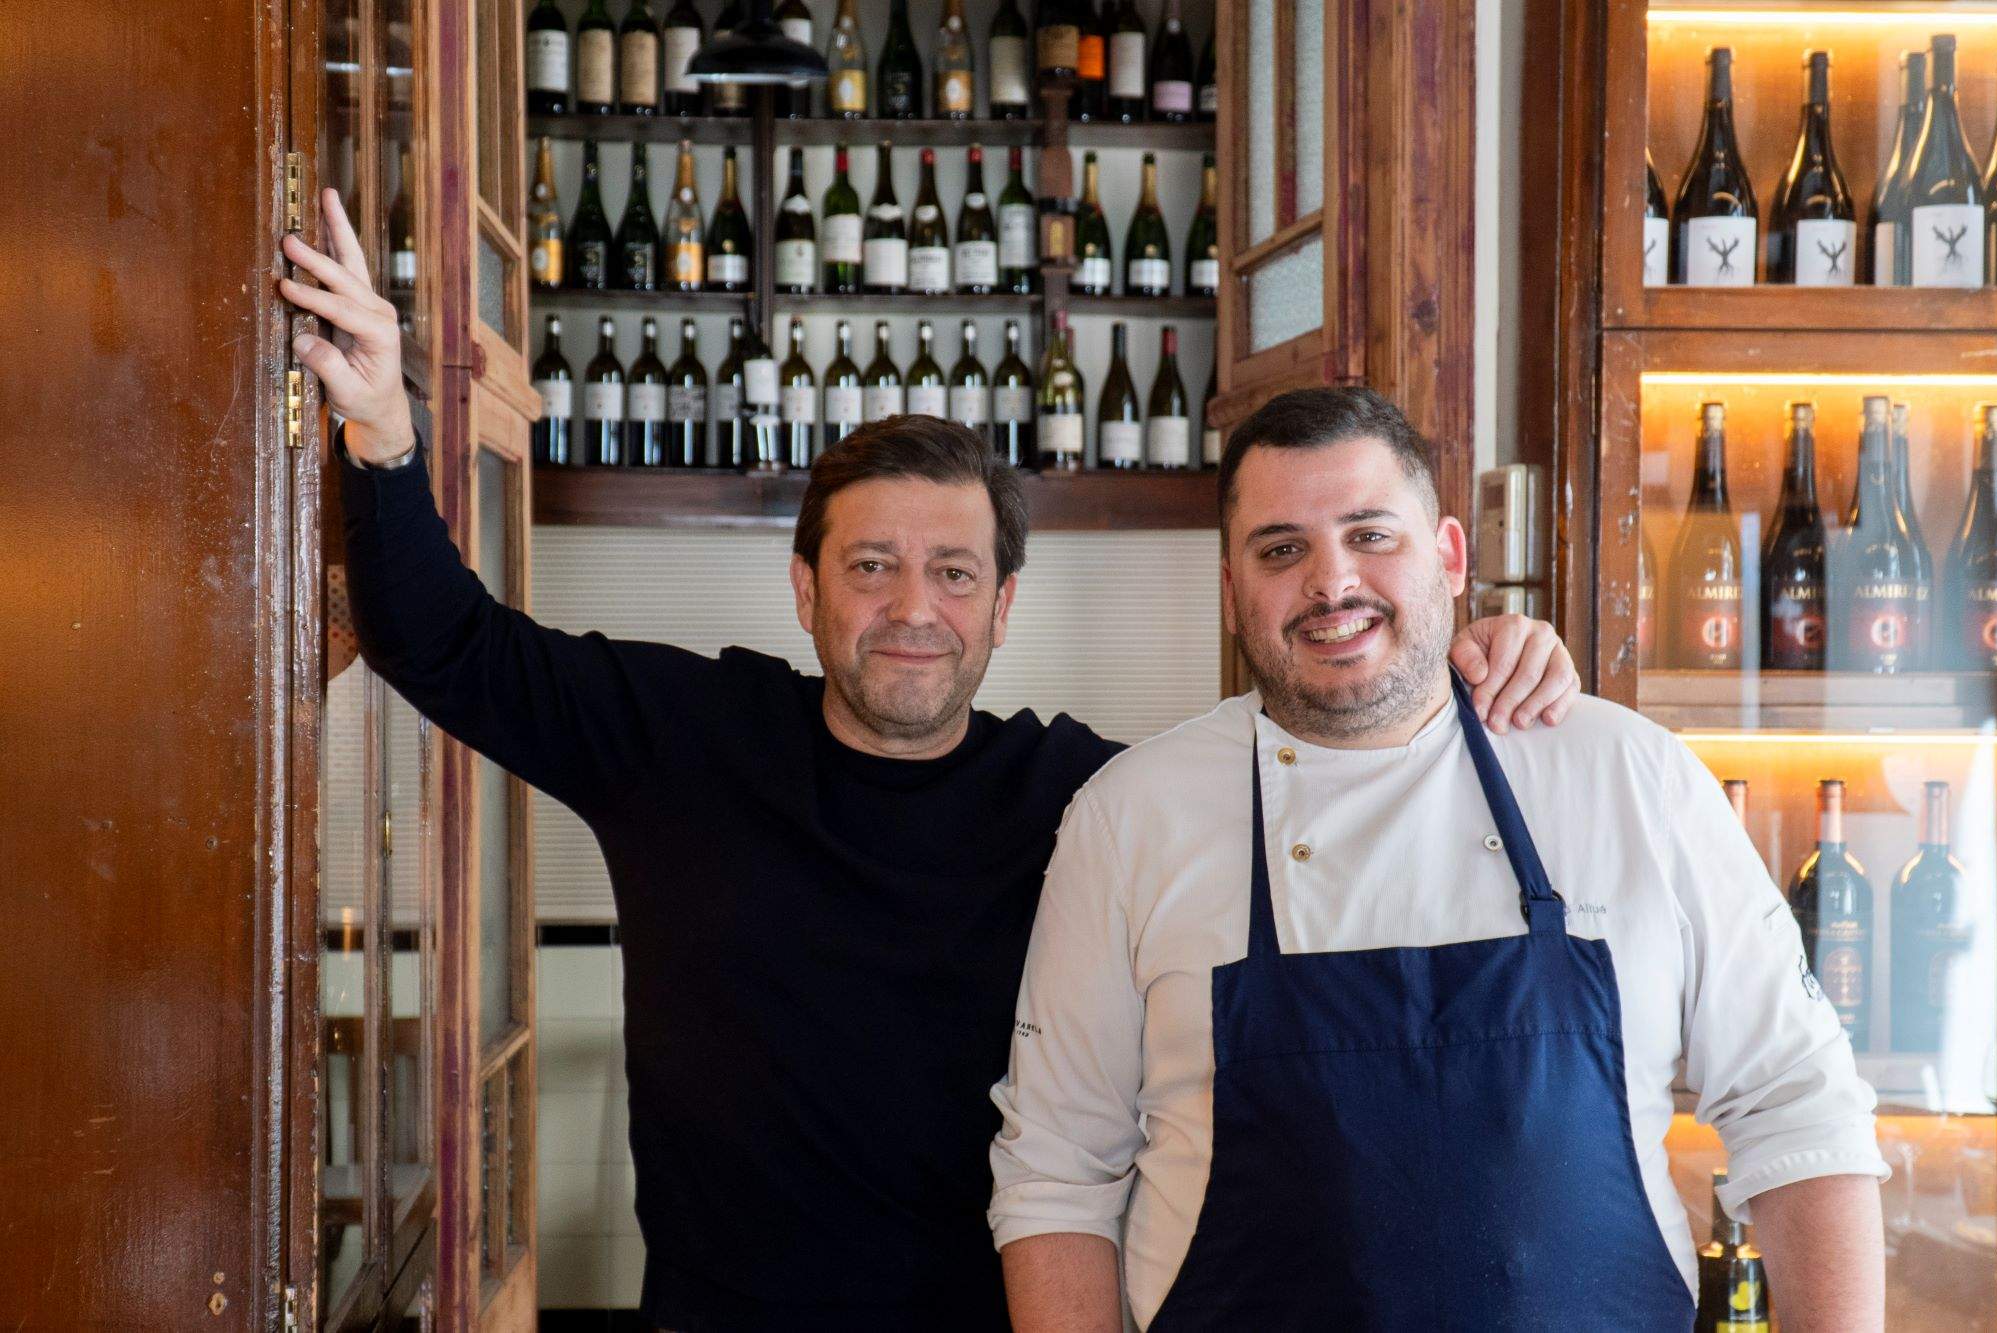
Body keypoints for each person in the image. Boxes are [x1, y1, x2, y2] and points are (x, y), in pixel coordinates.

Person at [278, 192, 1583, 1330]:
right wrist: (383, 425)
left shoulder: (1091, 792)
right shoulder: (680, 738)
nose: (914, 607)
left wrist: (1472, 654)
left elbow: (1341, 766)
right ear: (805, 589)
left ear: (1003, 604)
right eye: (871, 567)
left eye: (954, 572)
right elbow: (441, 641)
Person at [989, 386, 1891, 1331]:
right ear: (1229, 589)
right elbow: (1056, 1178)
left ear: (1451, 556)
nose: (1331, 582)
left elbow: (1799, 1108)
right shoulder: (1130, 818)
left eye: (1372, 534)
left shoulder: (1625, 772)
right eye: (1281, 549)